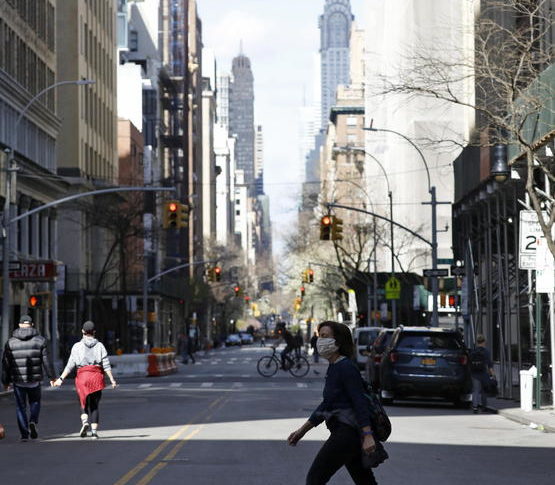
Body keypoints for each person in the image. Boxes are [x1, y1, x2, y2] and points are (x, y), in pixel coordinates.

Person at [288, 321, 381, 485]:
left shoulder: (345, 367)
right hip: (346, 433)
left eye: (324, 336)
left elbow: (359, 402)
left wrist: (367, 435)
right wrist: (302, 430)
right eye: (319, 336)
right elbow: (326, 405)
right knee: (365, 481)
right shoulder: (335, 367)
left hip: (347, 433)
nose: (320, 341)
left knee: (315, 479)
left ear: (337, 342)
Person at [53, 321, 117, 439]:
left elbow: (70, 365)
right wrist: (112, 380)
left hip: (82, 377)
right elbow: (106, 364)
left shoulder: (77, 346)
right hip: (96, 377)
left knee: (83, 402)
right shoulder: (100, 346)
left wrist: (60, 379)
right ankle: (94, 432)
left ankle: (85, 422)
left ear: (82, 331)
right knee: (94, 405)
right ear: (94, 332)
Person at [1, 314, 55, 441]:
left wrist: (5, 381)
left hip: (18, 381)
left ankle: (24, 434)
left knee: (21, 407)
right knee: (35, 402)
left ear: (19, 325)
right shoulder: (41, 340)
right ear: (32, 325)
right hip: (34, 381)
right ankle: (33, 421)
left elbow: (6, 364)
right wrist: (52, 377)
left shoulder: (10, 342)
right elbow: (47, 361)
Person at [470, 334, 495, 414]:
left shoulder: (473, 351)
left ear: (477, 342)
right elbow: (490, 365)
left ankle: (475, 407)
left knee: (476, 390)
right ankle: (484, 407)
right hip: (483, 373)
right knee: (484, 390)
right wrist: (493, 374)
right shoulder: (486, 351)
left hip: (474, 373)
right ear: (484, 342)